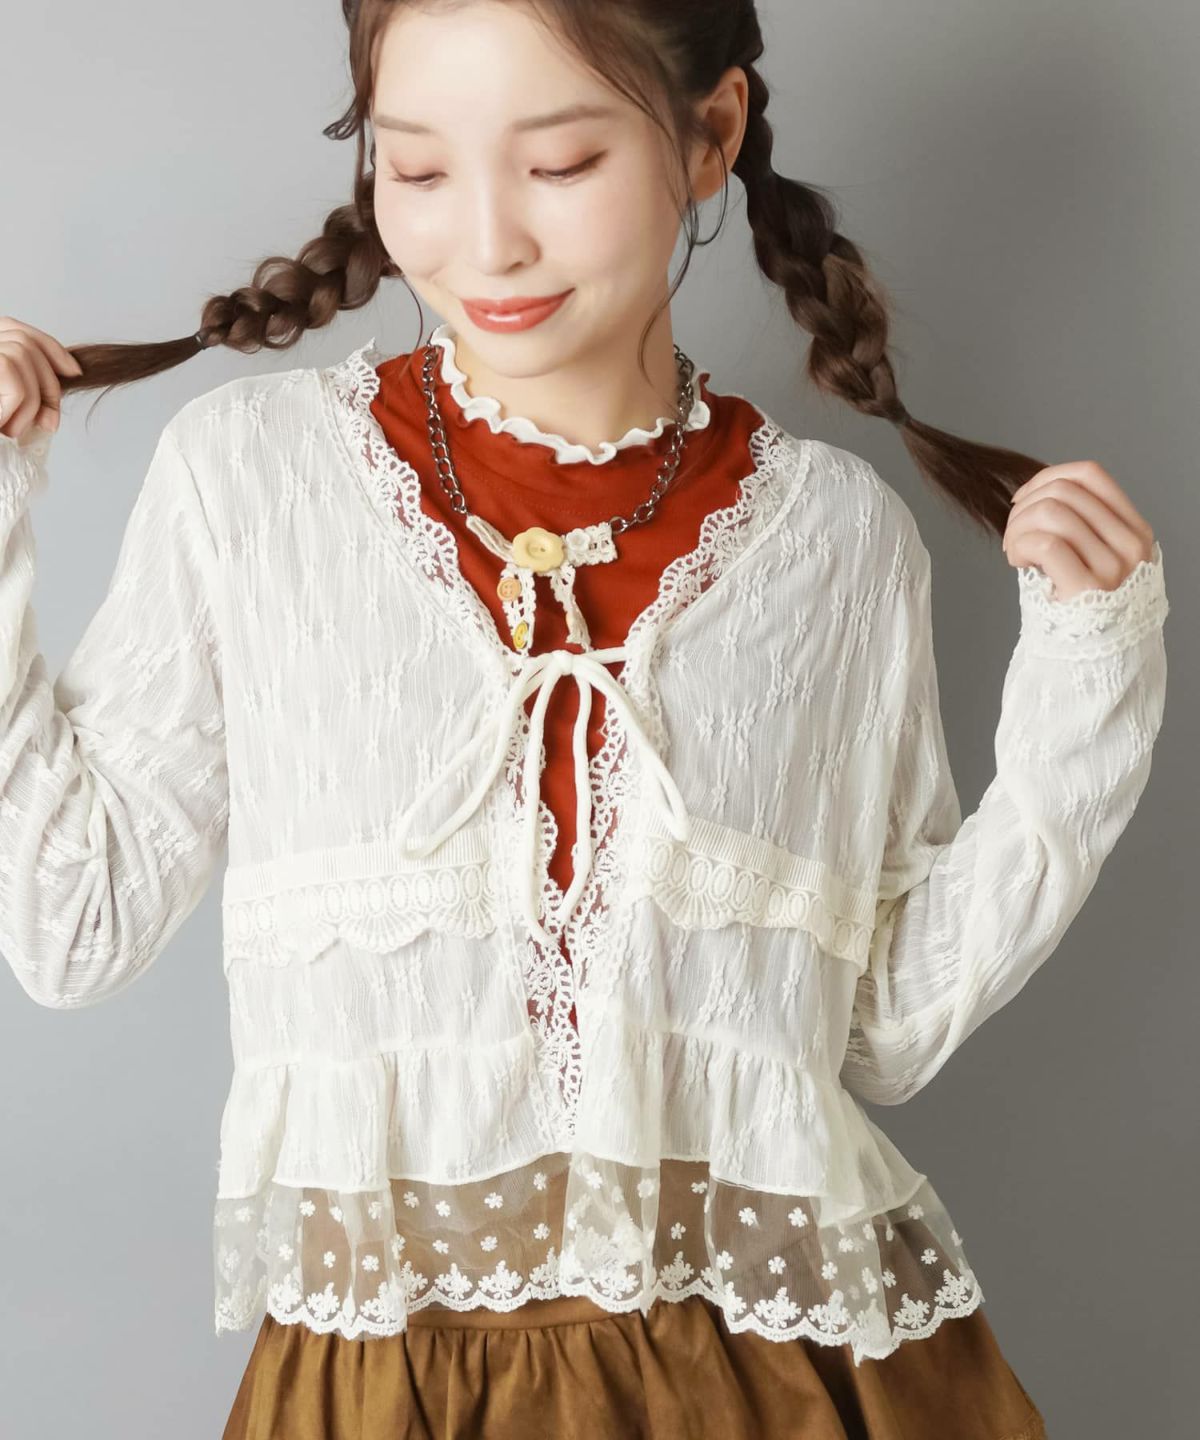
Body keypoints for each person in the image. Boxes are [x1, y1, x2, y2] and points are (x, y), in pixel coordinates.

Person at [0, 2, 1169, 1436]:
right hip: (389, 1379)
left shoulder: (837, 541)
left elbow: (881, 1027)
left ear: (711, 135)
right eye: (418, 169)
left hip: (776, 1376)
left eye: (558, 165)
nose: (486, 242)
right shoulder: (250, 482)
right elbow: (75, 924)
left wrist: (1089, 684)